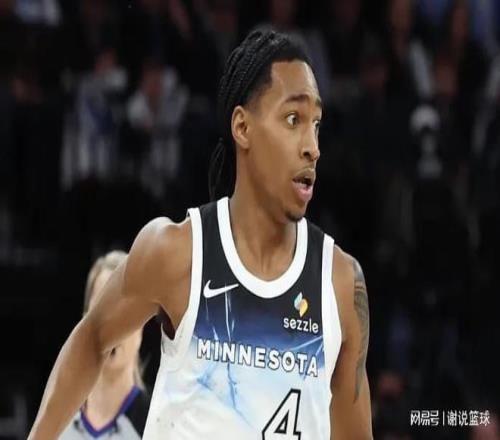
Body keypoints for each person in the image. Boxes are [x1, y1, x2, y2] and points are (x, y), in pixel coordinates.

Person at [29, 29, 373, 439]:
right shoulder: (178, 252)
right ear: (242, 127)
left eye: (316, 124)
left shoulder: (339, 283)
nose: (312, 146)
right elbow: (92, 338)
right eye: (293, 119)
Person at [59, 250, 151, 439]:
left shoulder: (159, 425)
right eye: (101, 308)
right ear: (84, 323)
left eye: (124, 310)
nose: (112, 324)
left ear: (142, 325)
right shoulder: (55, 424)